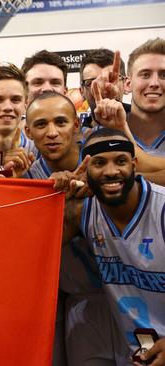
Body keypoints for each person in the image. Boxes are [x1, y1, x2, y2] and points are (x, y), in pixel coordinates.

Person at [24, 91, 130, 365]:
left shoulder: (108, 165)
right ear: (27, 131)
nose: (52, 133)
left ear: (75, 125)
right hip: (79, 303)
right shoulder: (26, 182)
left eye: (60, 122)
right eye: (40, 124)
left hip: (131, 298)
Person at [57, 127, 165, 365]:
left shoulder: (162, 208)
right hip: (139, 345)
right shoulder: (82, 211)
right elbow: (30, 246)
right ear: (86, 170)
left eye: (121, 161)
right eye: (99, 163)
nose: (111, 171)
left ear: (135, 164)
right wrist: (56, 198)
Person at [126, 38, 165, 157]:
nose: (154, 83)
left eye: (163, 75)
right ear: (128, 84)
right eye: (145, 75)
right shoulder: (104, 134)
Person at [79, 48, 130, 129]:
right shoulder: (74, 136)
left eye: (111, 80)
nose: (103, 89)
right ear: (82, 91)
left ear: (125, 84)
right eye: (92, 83)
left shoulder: (149, 125)